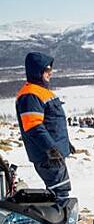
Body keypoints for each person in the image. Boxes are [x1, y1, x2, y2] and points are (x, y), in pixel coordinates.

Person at [15, 52, 75, 202]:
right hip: (46, 155)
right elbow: (34, 126)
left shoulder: (41, 91)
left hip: (53, 153)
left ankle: (59, 219)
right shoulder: (30, 95)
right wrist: (51, 148)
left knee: (59, 190)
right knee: (60, 191)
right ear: (37, 71)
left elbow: (53, 123)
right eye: (47, 70)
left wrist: (65, 144)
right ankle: (59, 222)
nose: (50, 73)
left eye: (50, 70)